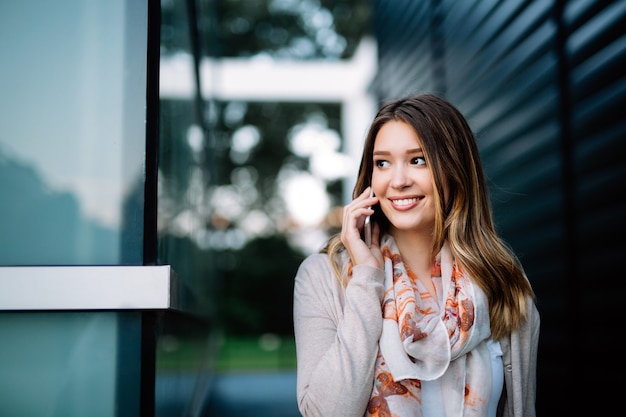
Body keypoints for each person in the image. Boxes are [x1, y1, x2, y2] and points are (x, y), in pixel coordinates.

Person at [292, 93, 540, 417]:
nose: (398, 181)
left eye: (418, 160)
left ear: (456, 170)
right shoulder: (324, 277)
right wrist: (367, 280)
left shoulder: (501, 280)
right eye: (382, 163)